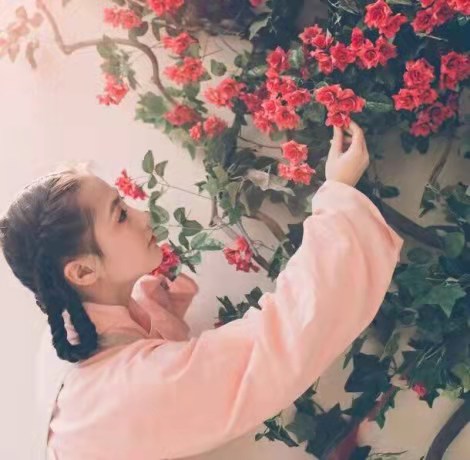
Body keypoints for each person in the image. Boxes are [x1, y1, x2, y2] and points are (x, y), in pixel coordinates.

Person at [0, 121, 403, 460]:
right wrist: (339, 194)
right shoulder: (128, 390)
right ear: (83, 271)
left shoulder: (66, 339)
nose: (143, 215)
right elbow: (278, 343)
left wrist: (152, 309)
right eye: (120, 215)